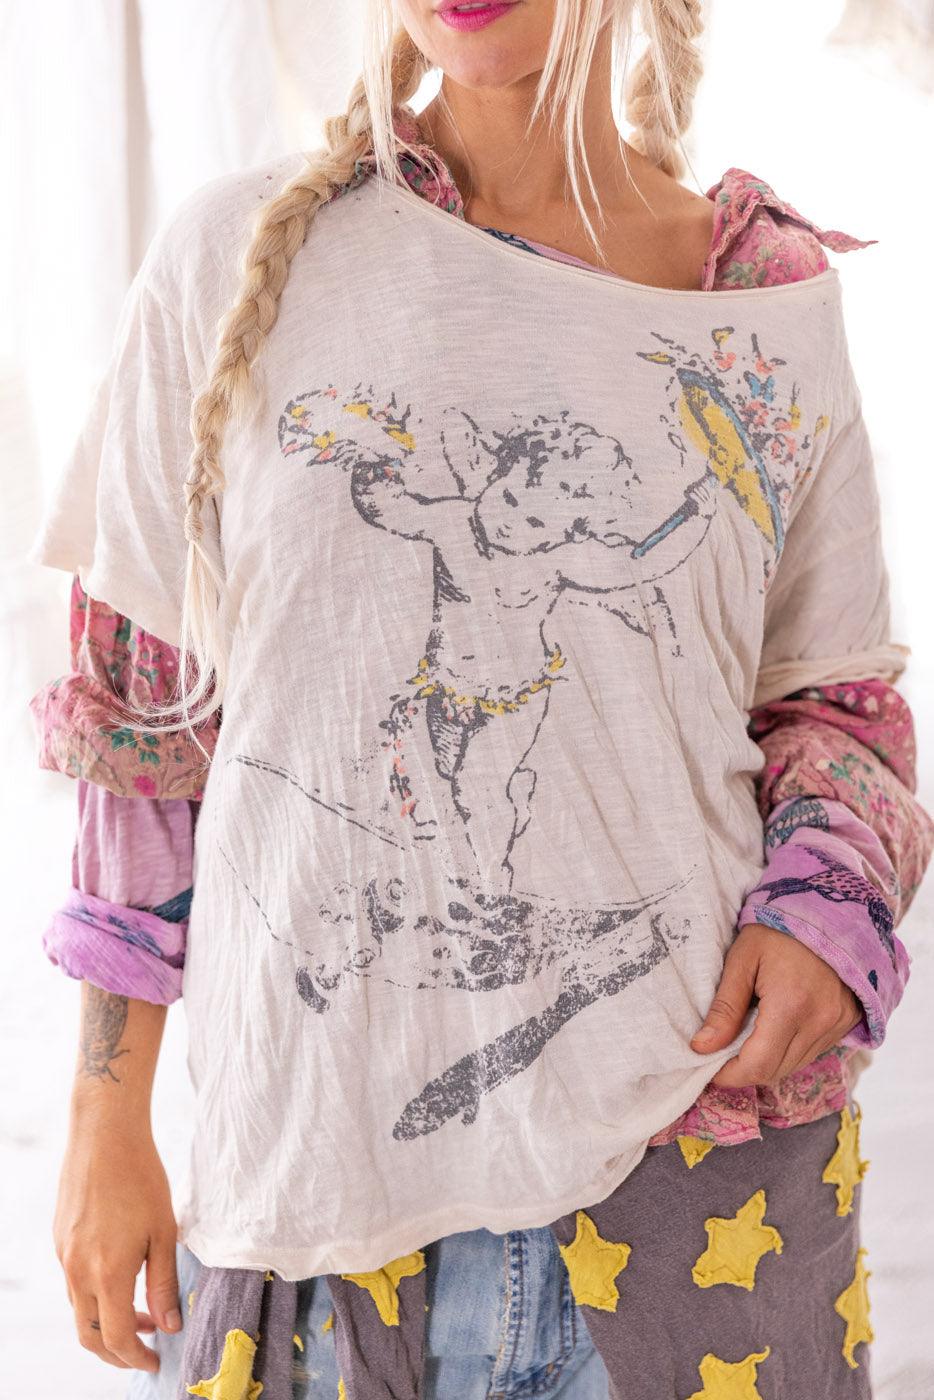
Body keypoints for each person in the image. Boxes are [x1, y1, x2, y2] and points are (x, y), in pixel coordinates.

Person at [28, 1, 933, 1397]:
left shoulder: (756, 292)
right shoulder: (235, 256)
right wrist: (105, 1119)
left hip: (697, 1190)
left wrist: (823, 911)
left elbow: (833, 697)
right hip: (320, 1208)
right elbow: (144, 726)